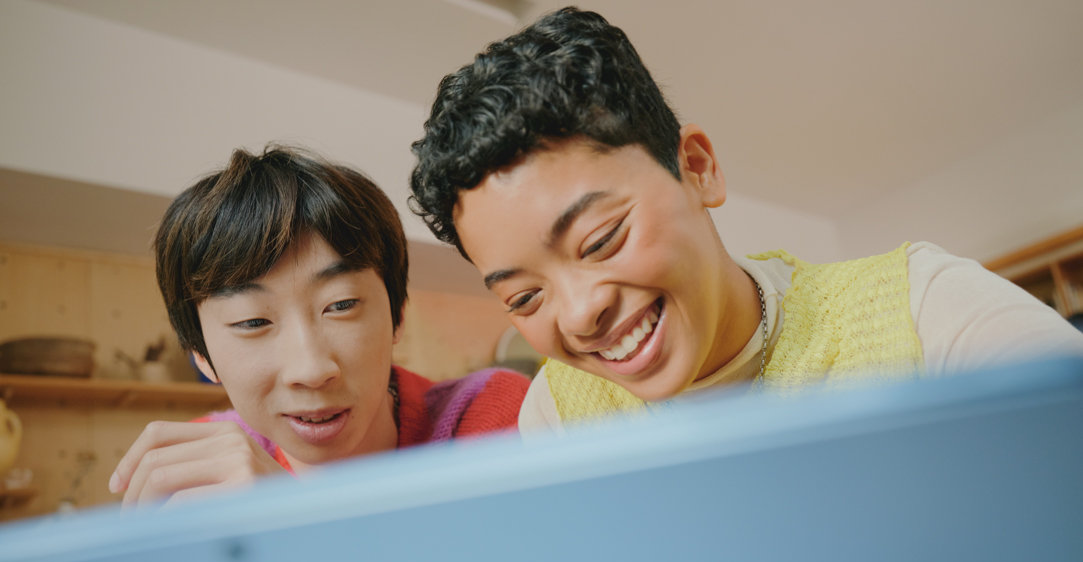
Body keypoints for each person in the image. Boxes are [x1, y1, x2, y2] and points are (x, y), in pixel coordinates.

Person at [408, 7, 1083, 434]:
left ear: (696, 167)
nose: (582, 312)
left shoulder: (925, 308)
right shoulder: (557, 413)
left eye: (600, 240)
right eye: (524, 296)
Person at [110, 146, 529, 507]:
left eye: (341, 305)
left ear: (397, 313)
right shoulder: (198, 468)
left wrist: (293, 518)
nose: (311, 370)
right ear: (201, 355)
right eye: (252, 321)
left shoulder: (491, 417)